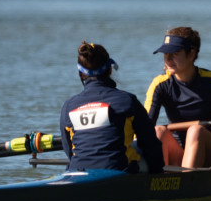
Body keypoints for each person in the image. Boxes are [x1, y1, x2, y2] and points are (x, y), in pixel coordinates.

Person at [144, 27, 211, 169]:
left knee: (196, 130)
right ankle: (158, 182)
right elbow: (144, 125)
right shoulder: (160, 84)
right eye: (165, 54)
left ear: (191, 54)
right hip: (179, 153)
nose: (168, 59)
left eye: (175, 53)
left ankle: (187, 183)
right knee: (158, 131)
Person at [59, 41, 164, 174]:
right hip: (120, 171)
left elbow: (69, 151)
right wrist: (158, 175)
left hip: (76, 171)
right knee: (138, 147)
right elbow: (150, 144)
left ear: (81, 74)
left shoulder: (68, 106)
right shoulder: (127, 101)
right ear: (109, 69)